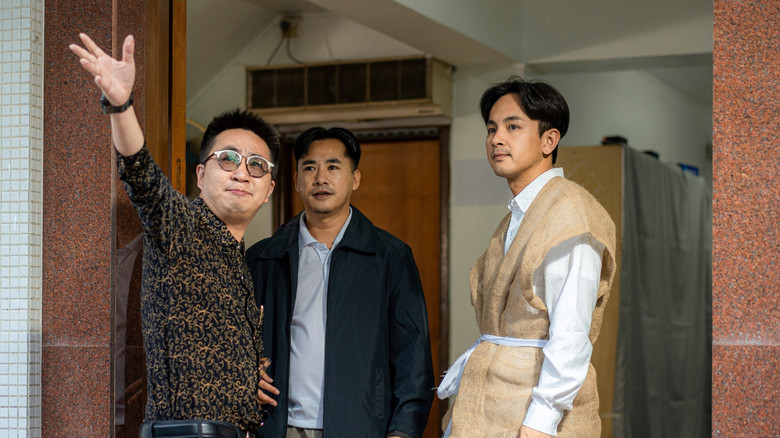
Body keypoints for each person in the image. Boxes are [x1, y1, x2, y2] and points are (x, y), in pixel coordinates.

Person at [69, 33, 279, 437]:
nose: (241, 173)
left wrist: (243, 374)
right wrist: (121, 105)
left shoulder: (238, 258)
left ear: (269, 189)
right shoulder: (181, 225)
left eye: (256, 165)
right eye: (228, 159)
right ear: (201, 174)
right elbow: (142, 175)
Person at [436, 76, 617, 438]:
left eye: (513, 127)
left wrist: (540, 422)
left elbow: (571, 333)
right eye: (491, 129)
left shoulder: (570, 215)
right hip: (495, 401)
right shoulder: (518, 215)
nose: (496, 139)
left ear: (549, 140)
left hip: (535, 416)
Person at [246, 127, 434, 438]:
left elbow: (413, 358)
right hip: (278, 427)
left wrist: (403, 432)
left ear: (355, 178)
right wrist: (244, 376)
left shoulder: (389, 257)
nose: (321, 178)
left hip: (361, 427)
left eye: (333, 167)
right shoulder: (264, 258)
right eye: (310, 168)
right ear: (296, 180)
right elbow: (235, 343)